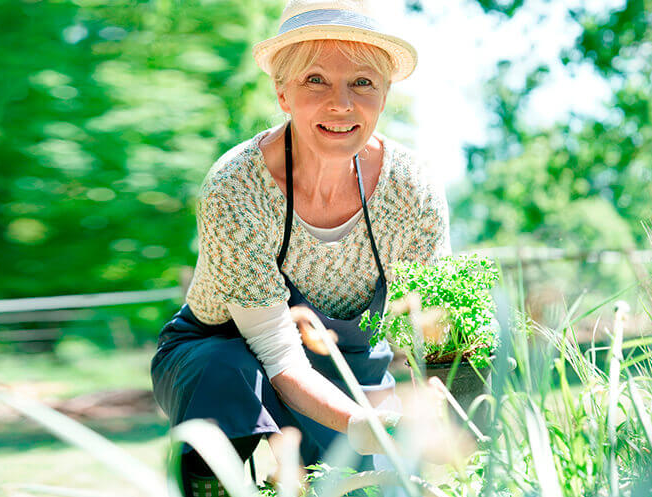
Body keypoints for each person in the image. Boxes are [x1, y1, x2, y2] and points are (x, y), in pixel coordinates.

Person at [149, 1, 449, 495]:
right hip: (222, 356)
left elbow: (429, 326)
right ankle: (214, 483)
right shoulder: (237, 186)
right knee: (227, 371)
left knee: (362, 485)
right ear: (282, 92)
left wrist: (438, 401)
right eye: (315, 80)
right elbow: (277, 352)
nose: (341, 104)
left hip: (348, 365)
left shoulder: (411, 188)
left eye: (363, 82)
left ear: (385, 93)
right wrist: (357, 422)